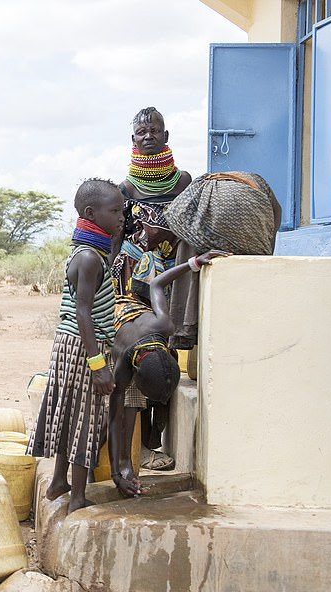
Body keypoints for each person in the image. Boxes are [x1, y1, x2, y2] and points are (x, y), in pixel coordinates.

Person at [27, 179, 124, 514]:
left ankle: (58, 481)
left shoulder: (89, 252)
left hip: (74, 343)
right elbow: (83, 312)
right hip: (85, 347)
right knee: (87, 420)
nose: (121, 216)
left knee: (71, 413)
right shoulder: (89, 259)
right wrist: (98, 364)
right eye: (115, 211)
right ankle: (78, 497)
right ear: (90, 213)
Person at [107, 249, 230, 497]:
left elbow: (157, 283)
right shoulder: (121, 359)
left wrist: (194, 262)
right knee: (120, 405)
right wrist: (116, 473)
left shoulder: (163, 324)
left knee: (132, 404)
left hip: (139, 325)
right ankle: (117, 465)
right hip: (111, 321)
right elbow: (113, 416)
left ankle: (128, 462)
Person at [116, 107, 193, 472]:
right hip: (132, 284)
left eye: (154, 131)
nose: (148, 136)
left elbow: (191, 229)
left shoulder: (183, 184)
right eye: (141, 132)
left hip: (174, 282)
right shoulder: (125, 189)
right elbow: (115, 237)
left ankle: (153, 442)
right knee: (140, 358)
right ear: (133, 140)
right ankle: (138, 449)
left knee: (168, 358)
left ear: (166, 137)